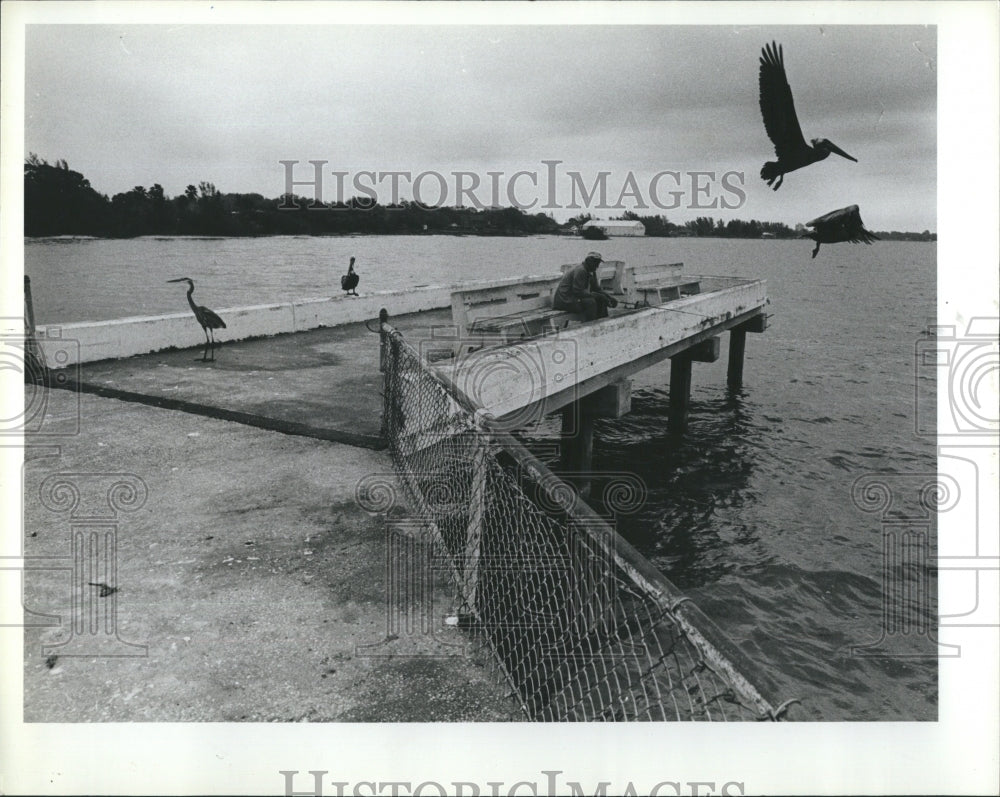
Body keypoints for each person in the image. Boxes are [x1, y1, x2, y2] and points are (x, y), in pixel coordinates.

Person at [552, 251, 618, 321]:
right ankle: (590, 325)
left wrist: (609, 297)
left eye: (598, 263)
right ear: (589, 261)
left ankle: (602, 322)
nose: (597, 266)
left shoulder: (592, 270)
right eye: (595, 263)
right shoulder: (581, 270)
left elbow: (597, 289)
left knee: (601, 300)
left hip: (573, 299)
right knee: (590, 302)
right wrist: (599, 296)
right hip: (564, 301)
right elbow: (578, 291)